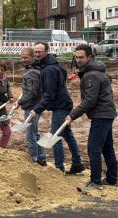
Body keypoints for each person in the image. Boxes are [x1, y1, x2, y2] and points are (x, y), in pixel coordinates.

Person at [66, 44, 118, 190]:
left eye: (81, 57)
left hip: (101, 115)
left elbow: (90, 100)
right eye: (76, 57)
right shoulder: (96, 70)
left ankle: (95, 181)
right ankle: (112, 179)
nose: (78, 60)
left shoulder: (91, 75)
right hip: (107, 113)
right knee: (107, 148)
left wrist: (72, 115)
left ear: (90, 57)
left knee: (93, 148)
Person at [32, 42, 85, 174]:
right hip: (63, 103)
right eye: (36, 52)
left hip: (61, 106)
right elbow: (64, 72)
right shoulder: (51, 64)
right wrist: (60, 85)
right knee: (67, 134)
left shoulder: (49, 69)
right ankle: (77, 163)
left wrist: (37, 109)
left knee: (55, 137)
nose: (37, 54)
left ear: (46, 52)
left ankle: (59, 169)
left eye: (40, 52)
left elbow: (49, 94)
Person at [15, 48, 46, 165]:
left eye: (26, 57)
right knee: (35, 132)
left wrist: (20, 102)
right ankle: (42, 158)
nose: (24, 60)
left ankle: (33, 159)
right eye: (22, 57)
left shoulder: (32, 72)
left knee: (30, 134)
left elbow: (32, 92)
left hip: (32, 106)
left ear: (32, 57)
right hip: (36, 105)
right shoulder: (34, 69)